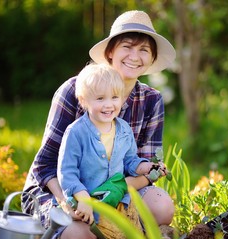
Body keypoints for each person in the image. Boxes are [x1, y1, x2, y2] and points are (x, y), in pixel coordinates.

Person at [22, 10, 176, 239]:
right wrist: (69, 202)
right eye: (127, 46)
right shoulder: (75, 90)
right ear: (110, 52)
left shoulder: (151, 100)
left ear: (152, 57)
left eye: (144, 50)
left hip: (118, 187)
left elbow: (150, 165)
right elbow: (44, 166)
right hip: (59, 188)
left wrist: (111, 194)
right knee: (80, 236)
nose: (135, 57)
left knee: (162, 206)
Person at [57, 62, 156, 226]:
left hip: (116, 200)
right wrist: (83, 198)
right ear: (84, 100)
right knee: (85, 236)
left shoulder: (124, 129)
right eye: (100, 98)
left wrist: (146, 167)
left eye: (115, 97)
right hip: (85, 202)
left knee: (124, 236)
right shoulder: (76, 133)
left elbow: (130, 161)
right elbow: (67, 172)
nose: (109, 105)